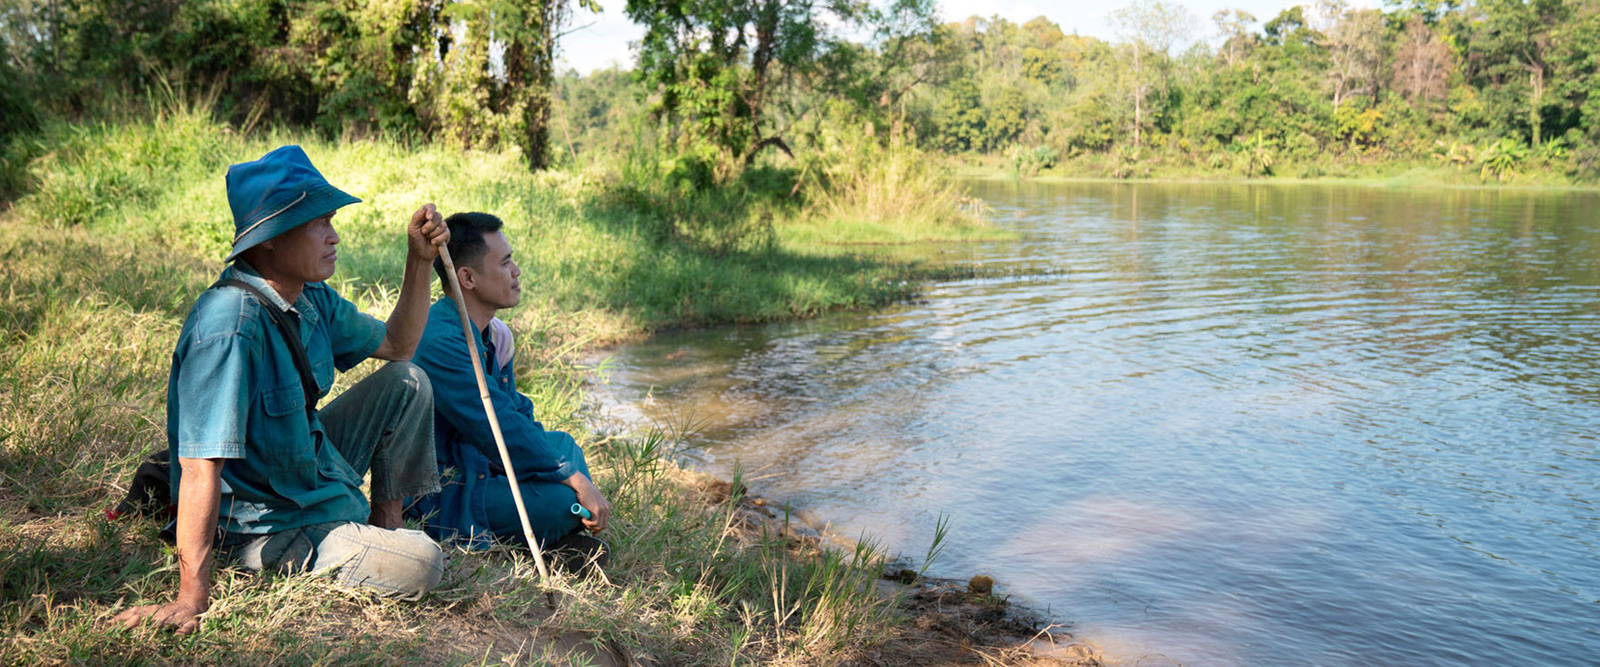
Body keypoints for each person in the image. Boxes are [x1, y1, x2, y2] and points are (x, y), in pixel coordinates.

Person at [114, 146, 450, 634]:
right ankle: (363, 544)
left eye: (331, 220)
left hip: (304, 471)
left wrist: (418, 262)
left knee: (407, 380)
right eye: (318, 224)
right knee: (423, 563)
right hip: (263, 523)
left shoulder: (309, 296)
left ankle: (384, 527)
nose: (334, 237)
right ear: (269, 238)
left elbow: (399, 344)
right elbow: (198, 468)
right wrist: (192, 597)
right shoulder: (230, 328)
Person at [409, 212, 611, 557]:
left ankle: (553, 535)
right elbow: (496, 426)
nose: (516, 271)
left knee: (564, 444)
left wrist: (560, 467)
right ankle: (551, 534)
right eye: (505, 263)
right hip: (449, 487)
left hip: (484, 464)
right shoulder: (441, 339)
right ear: (467, 278)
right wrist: (572, 479)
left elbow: (515, 411)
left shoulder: (492, 334)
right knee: (563, 501)